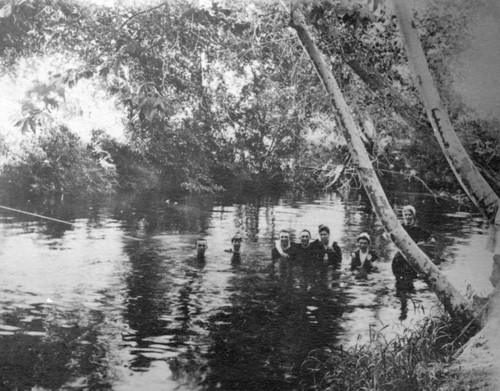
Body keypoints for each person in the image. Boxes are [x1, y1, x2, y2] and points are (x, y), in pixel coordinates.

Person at [392, 205, 435, 281]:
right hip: (399, 258)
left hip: (412, 258)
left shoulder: (417, 229)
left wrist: (417, 245)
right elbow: (386, 235)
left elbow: (432, 240)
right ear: (403, 215)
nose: (407, 217)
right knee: (398, 280)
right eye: (405, 215)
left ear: (413, 216)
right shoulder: (399, 227)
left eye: (409, 215)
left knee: (409, 280)